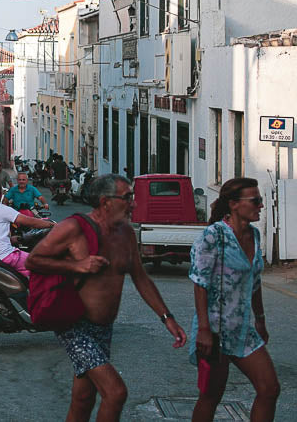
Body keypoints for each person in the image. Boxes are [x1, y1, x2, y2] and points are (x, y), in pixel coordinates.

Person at [27, 174, 188, 422]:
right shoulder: (74, 228)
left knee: (84, 399)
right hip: (75, 324)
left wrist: (167, 318)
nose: (133, 204)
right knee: (115, 393)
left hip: (103, 328)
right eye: (127, 198)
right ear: (105, 202)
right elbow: (33, 260)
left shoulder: (126, 234)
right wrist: (78, 265)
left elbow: (140, 278)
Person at [190, 177, 279, 422]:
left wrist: (260, 319)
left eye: (260, 201)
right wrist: (204, 329)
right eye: (256, 201)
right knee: (211, 396)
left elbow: (255, 281)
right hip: (215, 330)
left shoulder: (254, 235)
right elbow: (200, 283)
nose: (260, 206)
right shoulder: (213, 236)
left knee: (269, 389)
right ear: (234, 204)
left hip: (242, 330)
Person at [0, 177, 53, 278]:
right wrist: (53, 225)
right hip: (4, 257)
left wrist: (12, 239)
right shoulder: (2, 209)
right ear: (0, 195)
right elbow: (31, 222)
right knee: (41, 263)